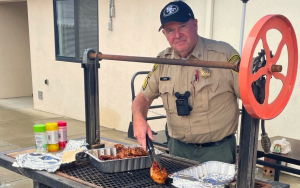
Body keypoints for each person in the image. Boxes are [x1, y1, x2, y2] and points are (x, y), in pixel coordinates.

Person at [132, 1, 240, 164]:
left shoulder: (224, 55)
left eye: (182, 26)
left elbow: (252, 97)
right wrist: (138, 117)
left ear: (195, 24)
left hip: (218, 153)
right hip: (177, 150)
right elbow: (144, 97)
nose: (177, 35)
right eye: (170, 30)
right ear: (165, 34)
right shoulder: (162, 61)